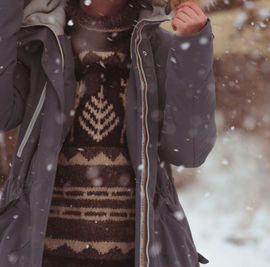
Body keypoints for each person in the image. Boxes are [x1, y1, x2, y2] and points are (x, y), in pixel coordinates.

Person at [0, 0, 217, 266]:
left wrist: (192, 46)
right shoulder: (41, 41)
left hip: (137, 256)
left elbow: (188, 150)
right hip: (38, 254)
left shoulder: (158, 45)